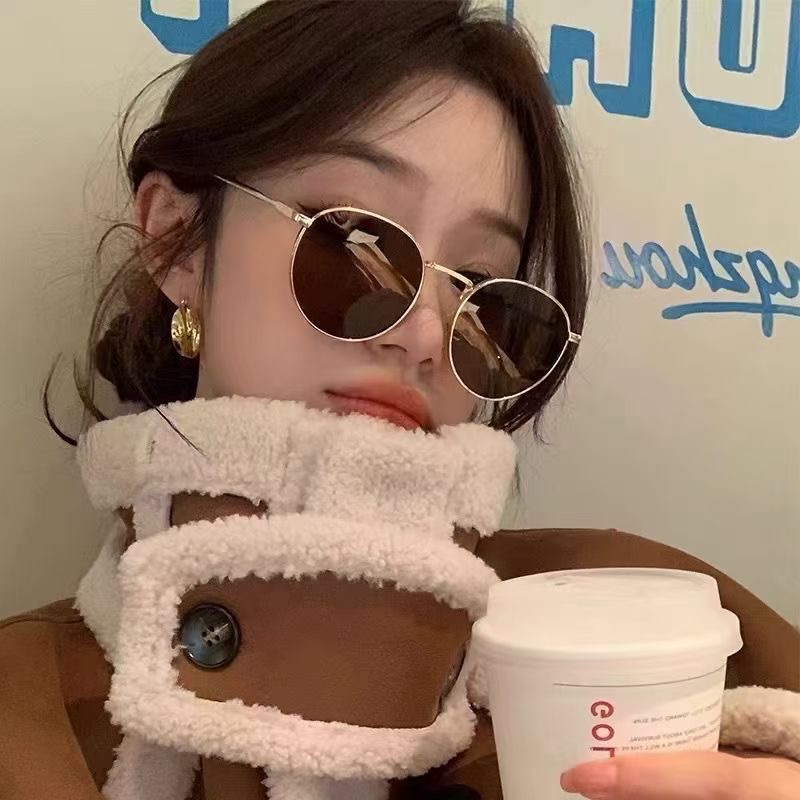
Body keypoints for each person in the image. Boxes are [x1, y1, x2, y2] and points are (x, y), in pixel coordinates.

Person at [1, 2, 797, 799]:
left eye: (480, 288)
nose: (423, 335)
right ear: (176, 237)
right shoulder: (22, 711)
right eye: (357, 246)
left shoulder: (657, 627)